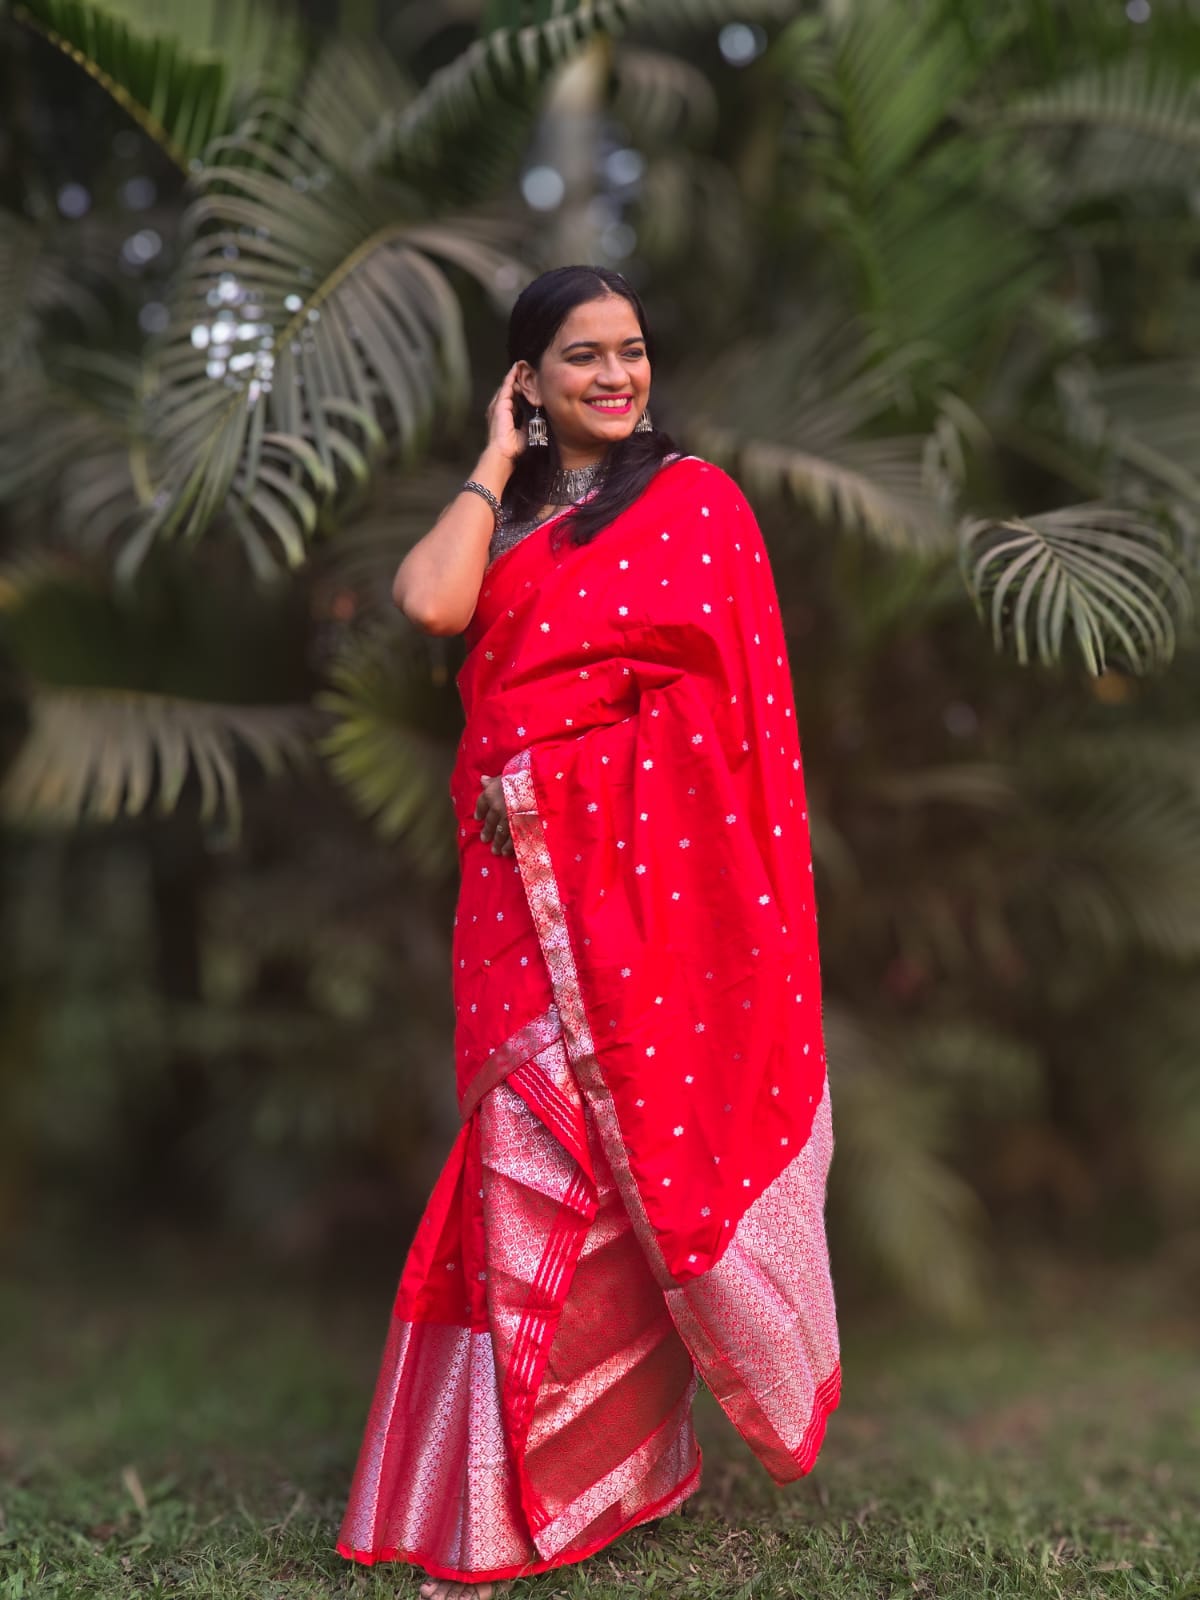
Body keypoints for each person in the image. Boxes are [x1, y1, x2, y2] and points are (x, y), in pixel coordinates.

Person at [335, 265, 840, 1600]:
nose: (616, 377)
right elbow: (427, 606)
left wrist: (554, 790)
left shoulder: (698, 508)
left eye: (630, 351)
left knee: (609, 1180)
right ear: (529, 380)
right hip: (516, 902)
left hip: (637, 886)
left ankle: (603, 1473)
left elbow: (722, 722)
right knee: (520, 1159)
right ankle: (525, 1489)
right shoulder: (515, 530)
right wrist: (495, 461)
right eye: (579, 358)